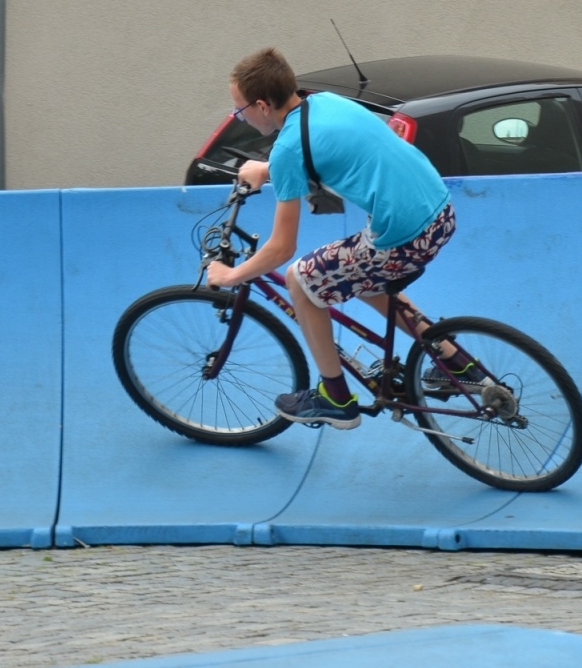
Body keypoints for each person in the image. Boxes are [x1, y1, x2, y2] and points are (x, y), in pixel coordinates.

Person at [205, 47, 479, 429]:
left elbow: (282, 248)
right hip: (439, 211)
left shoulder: (287, 149)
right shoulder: (327, 102)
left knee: (301, 279)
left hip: (403, 236)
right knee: (364, 279)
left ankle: (335, 398)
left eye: (240, 110)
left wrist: (231, 276)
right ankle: (457, 363)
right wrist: (269, 170)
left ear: (263, 105)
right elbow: (335, 149)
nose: (241, 117)